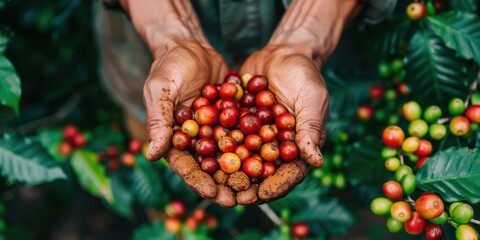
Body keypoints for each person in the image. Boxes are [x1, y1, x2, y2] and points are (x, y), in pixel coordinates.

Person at [94, 0, 397, 206]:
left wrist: (308, 33)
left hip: (328, 30)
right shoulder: (239, 127)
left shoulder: (241, 125)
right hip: (144, 30)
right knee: (148, 116)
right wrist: (170, 33)